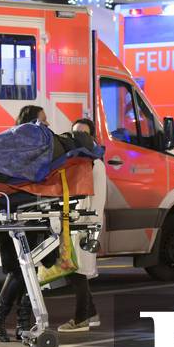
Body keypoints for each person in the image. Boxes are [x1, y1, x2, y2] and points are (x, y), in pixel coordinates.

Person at [0, 105, 49, 341]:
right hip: (12, 214)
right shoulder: (14, 148)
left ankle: (22, 323)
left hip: (29, 213)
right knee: (18, 270)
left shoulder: (34, 148)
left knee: (30, 271)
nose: (47, 126)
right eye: (43, 122)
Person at [57, 117, 105, 333]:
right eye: (75, 133)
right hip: (74, 223)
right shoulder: (77, 162)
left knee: (78, 272)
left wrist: (90, 225)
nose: (78, 137)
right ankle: (91, 313)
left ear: (92, 137)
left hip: (85, 225)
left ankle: (81, 319)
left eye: (83, 133)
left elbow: (98, 200)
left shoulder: (97, 165)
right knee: (75, 270)